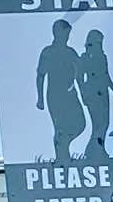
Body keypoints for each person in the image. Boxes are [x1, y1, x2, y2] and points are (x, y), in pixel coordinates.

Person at [35, 17, 86, 156]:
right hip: (55, 96)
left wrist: (83, 95)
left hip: (70, 95)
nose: (67, 37)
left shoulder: (71, 53)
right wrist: (40, 99)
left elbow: (79, 77)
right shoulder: (48, 52)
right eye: (65, 34)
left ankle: (63, 148)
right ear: (57, 33)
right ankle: (62, 158)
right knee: (60, 128)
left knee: (80, 123)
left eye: (68, 34)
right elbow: (40, 75)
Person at [76, 29, 113, 157]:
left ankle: (99, 148)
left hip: (103, 92)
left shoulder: (102, 57)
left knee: (105, 123)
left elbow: (106, 76)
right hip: (92, 91)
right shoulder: (84, 58)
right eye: (98, 41)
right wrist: (83, 93)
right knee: (98, 123)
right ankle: (92, 151)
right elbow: (79, 77)